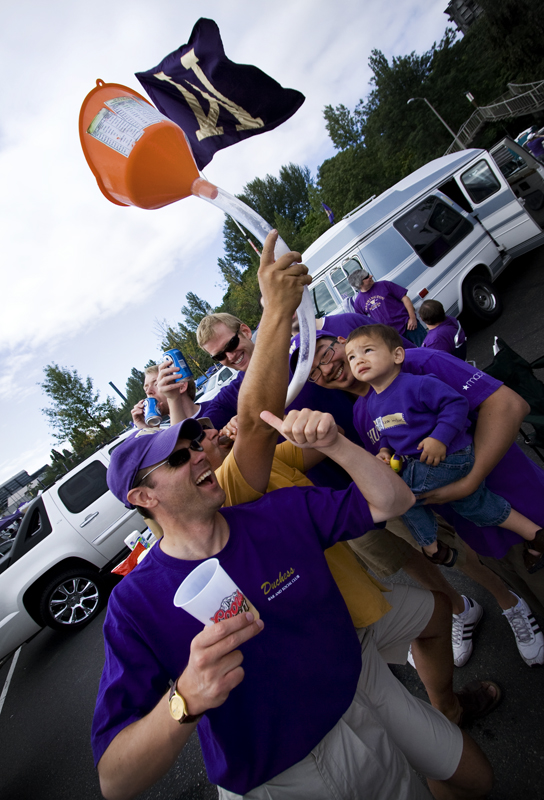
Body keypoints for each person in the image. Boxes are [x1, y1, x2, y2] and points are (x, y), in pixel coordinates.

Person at [93, 410, 496, 800]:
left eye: (195, 444)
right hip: (275, 778)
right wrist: (184, 699)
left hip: (357, 712)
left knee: (479, 780)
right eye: (178, 458)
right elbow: (115, 781)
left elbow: (393, 501)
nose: (199, 454)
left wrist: (335, 443)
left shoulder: (278, 513)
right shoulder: (134, 603)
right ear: (143, 496)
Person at [289, 329, 544, 662]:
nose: (326, 369)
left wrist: (469, 482)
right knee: (529, 589)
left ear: (340, 342)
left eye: (323, 354)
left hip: (521, 502)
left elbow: (510, 404)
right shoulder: (362, 412)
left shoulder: (420, 363)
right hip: (480, 530)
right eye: (313, 372)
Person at [344, 324, 544, 569]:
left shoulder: (417, 384)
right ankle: (535, 534)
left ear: (397, 355)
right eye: (351, 357)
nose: (359, 359)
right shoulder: (372, 403)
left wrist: (439, 438)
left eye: (367, 350)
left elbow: (455, 404)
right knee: (473, 504)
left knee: (400, 497)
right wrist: (385, 451)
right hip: (428, 463)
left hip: (451, 455)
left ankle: (432, 548)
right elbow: (387, 430)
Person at [348, 268, 427, 345]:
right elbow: (364, 323)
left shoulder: (384, 284)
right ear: (360, 283)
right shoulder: (358, 302)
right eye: (367, 276)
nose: (371, 276)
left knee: (429, 347)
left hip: (408, 325)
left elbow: (405, 298)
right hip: (392, 337)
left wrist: (412, 318)